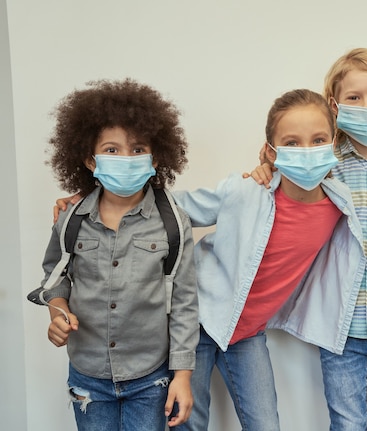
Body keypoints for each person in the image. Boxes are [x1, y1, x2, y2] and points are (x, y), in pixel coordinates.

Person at [250, 48, 367, 431]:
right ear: (335, 106)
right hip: (339, 327)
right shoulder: (322, 164)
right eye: (354, 97)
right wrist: (266, 168)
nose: (366, 106)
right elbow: (284, 184)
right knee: (347, 424)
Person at [171, 88, 365, 430]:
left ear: (334, 143)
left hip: (247, 334)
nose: (306, 152)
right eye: (291, 143)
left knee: (265, 423)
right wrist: (96, 199)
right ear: (270, 152)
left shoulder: (340, 204)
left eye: (318, 139)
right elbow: (176, 209)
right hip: (196, 323)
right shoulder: (247, 190)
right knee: (186, 421)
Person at [33, 78, 199, 430]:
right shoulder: (71, 219)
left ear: (156, 156)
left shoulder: (173, 222)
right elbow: (55, 274)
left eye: (138, 149)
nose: (126, 159)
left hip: (150, 378)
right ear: (90, 160)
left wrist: (182, 376)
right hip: (88, 375)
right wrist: (57, 311)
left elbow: (184, 302)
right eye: (112, 149)